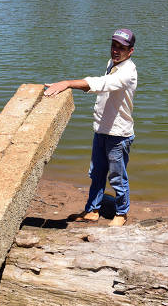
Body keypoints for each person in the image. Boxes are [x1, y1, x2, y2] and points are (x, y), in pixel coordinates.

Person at [44, 28, 137, 227]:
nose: (116, 50)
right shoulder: (112, 64)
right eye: (114, 45)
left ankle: (121, 213)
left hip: (118, 134)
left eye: (121, 48)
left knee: (117, 177)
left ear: (131, 51)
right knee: (96, 173)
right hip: (102, 130)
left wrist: (68, 83)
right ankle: (93, 210)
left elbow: (102, 84)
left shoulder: (128, 72)